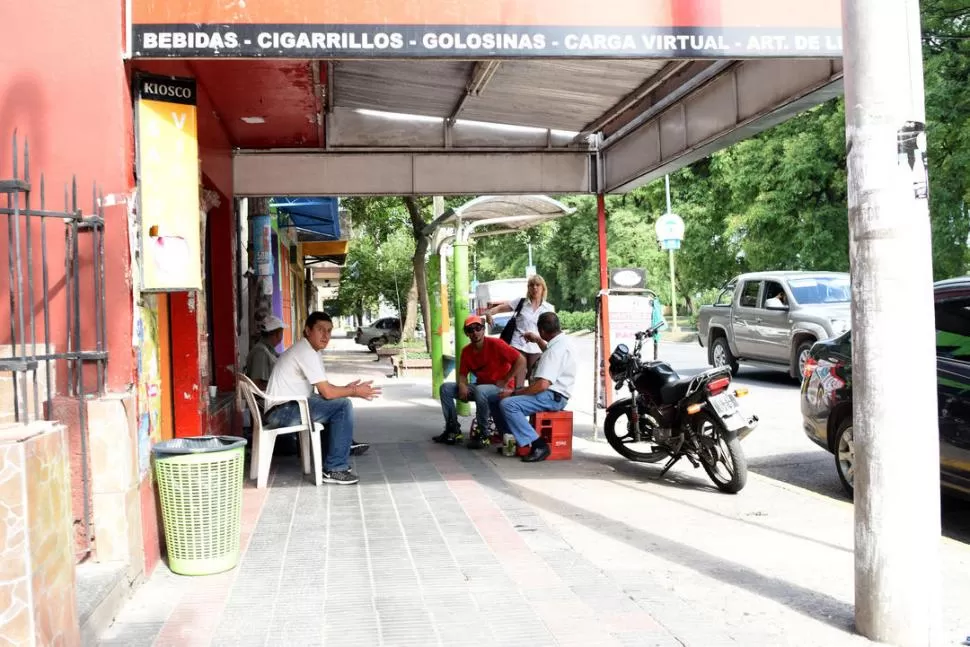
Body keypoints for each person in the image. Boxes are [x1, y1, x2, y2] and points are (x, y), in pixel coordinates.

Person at [263, 311, 381, 485]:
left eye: (329, 330)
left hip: (285, 409)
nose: (326, 335)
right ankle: (335, 468)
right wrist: (354, 391)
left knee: (333, 403)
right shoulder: (306, 352)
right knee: (343, 406)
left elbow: (324, 388)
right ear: (308, 330)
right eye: (320, 329)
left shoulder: (311, 351)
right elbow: (327, 392)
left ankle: (331, 462)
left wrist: (346, 388)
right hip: (282, 412)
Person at [433, 314, 526, 448]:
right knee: (445, 388)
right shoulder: (466, 351)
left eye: (478, 328)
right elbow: (463, 375)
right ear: (466, 333)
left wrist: (506, 379)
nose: (475, 332)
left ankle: (484, 434)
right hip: (481, 388)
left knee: (480, 390)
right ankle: (452, 429)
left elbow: (521, 360)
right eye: (470, 330)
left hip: (501, 388)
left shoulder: (496, 344)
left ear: (483, 329)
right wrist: (462, 385)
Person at [494, 312, 576, 463]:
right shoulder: (563, 342)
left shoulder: (554, 351)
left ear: (542, 330)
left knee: (508, 404)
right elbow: (550, 353)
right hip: (556, 394)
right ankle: (514, 440)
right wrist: (538, 340)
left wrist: (513, 393)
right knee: (509, 399)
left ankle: (539, 445)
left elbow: (542, 385)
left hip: (552, 397)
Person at [483, 274, 554, 383]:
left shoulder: (548, 308)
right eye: (531, 285)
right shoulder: (521, 302)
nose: (534, 288)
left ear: (543, 288)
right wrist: (489, 313)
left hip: (537, 347)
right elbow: (500, 308)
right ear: (528, 288)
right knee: (517, 381)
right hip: (518, 344)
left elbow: (552, 331)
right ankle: (515, 392)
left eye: (537, 285)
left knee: (534, 380)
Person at [245, 315, 285, 390]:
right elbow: (256, 385)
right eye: (282, 333)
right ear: (276, 334)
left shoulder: (269, 349)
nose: (282, 337)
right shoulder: (261, 352)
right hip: (267, 396)